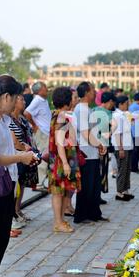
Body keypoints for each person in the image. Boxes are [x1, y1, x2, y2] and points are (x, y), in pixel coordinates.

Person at [0, 75, 36, 277]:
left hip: (10, 182)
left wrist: (24, 150)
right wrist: (22, 157)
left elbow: (12, 145)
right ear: (6, 96)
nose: (19, 101)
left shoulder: (7, 120)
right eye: (17, 97)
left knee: (1, 240)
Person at [73, 82, 108, 224]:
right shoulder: (81, 109)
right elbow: (85, 133)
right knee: (86, 186)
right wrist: (99, 144)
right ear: (87, 92)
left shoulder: (87, 109)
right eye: (93, 90)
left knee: (94, 185)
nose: (95, 93)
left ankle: (94, 213)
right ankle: (82, 215)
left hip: (91, 151)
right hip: (86, 152)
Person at [48, 87, 81, 233]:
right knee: (58, 192)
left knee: (62, 191)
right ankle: (58, 222)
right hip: (61, 160)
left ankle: (61, 220)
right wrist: (66, 163)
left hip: (63, 158)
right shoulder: (61, 117)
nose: (74, 100)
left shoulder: (59, 115)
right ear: (66, 100)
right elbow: (59, 142)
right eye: (72, 97)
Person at [9, 94, 40, 236]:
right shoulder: (9, 120)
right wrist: (25, 149)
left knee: (21, 183)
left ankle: (17, 210)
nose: (24, 101)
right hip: (18, 154)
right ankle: (13, 212)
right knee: (15, 185)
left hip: (26, 153)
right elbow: (14, 141)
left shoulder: (21, 118)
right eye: (20, 99)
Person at [24, 81, 51, 191]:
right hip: (42, 132)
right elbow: (27, 113)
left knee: (45, 155)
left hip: (45, 132)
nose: (47, 89)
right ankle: (39, 183)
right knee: (43, 156)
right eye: (45, 87)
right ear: (40, 90)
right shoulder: (37, 100)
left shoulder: (43, 100)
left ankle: (41, 181)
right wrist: (34, 125)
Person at [94, 91, 117, 203]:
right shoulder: (107, 113)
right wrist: (110, 134)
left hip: (93, 145)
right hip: (103, 146)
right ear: (110, 101)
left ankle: (95, 196)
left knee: (96, 171)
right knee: (102, 171)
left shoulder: (94, 110)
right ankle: (97, 197)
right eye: (113, 103)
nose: (113, 105)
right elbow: (111, 127)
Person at [112, 96, 134, 201]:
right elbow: (117, 133)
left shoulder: (124, 115)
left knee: (127, 169)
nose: (128, 105)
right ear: (120, 104)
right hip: (122, 146)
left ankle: (125, 190)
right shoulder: (117, 116)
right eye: (126, 103)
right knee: (122, 169)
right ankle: (119, 192)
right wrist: (120, 148)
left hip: (127, 145)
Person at [129, 92, 139, 174]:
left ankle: (133, 167)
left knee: (134, 151)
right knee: (138, 151)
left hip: (133, 131)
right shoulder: (138, 107)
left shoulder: (130, 106)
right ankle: (135, 167)